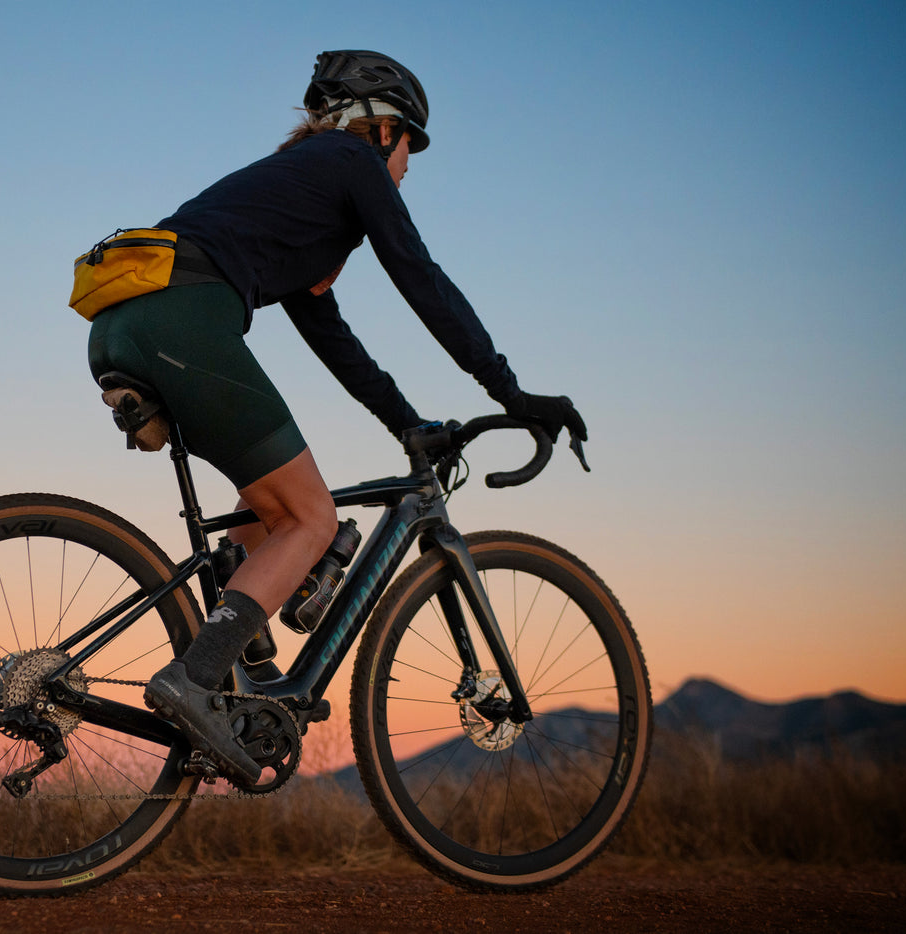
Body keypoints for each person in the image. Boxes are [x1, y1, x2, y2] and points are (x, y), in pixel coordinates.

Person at [82, 50, 588, 783]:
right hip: (184, 319)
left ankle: (240, 649)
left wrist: (408, 423)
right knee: (312, 521)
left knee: (269, 508)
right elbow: (420, 275)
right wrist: (510, 393)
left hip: (127, 320)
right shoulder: (349, 161)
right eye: (412, 145)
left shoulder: (300, 200)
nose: (410, 167)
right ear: (382, 129)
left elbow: (333, 339)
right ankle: (194, 679)